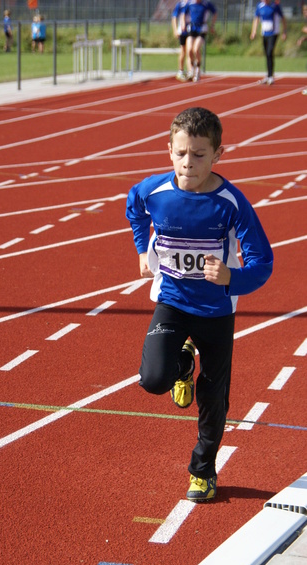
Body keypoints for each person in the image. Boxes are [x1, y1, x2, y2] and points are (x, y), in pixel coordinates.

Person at [125, 107, 273, 502]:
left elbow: (263, 262)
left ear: (218, 155)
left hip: (216, 311)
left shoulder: (231, 202)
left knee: (214, 397)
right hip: (172, 300)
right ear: (169, 150)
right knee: (153, 379)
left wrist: (231, 278)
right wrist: (143, 249)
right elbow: (133, 204)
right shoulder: (155, 191)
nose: (188, 163)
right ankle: (182, 365)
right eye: (181, 153)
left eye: (199, 155)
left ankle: (202, 471)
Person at [250, 0, 287, 85]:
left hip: (274, 33)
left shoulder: (275, 6)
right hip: (264, 33)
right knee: (267, 54)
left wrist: (284, 32)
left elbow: (283, 18)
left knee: (270, 52)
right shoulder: (260, 6)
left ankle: (271, 76)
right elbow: (256, 18)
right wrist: (254, 31)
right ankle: (268, 75)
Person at [182, 0, 217, 82]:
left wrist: (212, 25)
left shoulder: (206, 4)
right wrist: (183, 23)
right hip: (192, 28)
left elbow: (215, 13)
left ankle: (198, 69)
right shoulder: (190, 4)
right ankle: (192, 69)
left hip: (202, 29)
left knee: (196, 49)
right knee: (190, 49)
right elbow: (183, 13)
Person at [172, 1, 189, 80]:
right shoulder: (180, 4)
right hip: (182, 31)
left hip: (192, 30)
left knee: (190, 51)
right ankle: (180, 70)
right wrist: (175, 30)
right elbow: (174, 17)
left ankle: (190, 71)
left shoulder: (193, 3)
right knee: (183, 51)